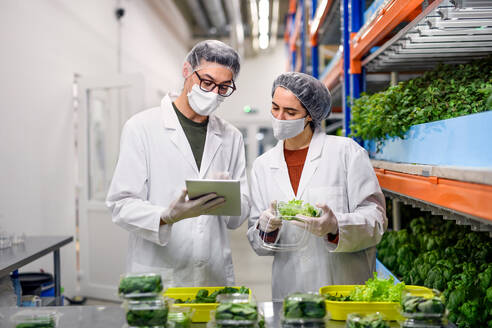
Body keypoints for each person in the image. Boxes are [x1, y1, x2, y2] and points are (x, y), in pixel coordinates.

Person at [107, 40, 250, 287]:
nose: (214, 92)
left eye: (224, 87)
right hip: (159, 273)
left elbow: (239, 214)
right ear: (186, 71)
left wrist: (228, 201)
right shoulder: (141, 127)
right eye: (207, 82)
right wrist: (166, 216)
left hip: (211, 272)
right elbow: (121, 204)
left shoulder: (231, 136)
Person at [247, 72, 387, 301]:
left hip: (342, 287)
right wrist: (266, 228)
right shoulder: (263, 165)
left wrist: (335, 226)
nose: (280, 117)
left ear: (310, 116)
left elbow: (377, 220)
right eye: (275, 108)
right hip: (291, 290)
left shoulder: (346, 152)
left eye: (290, 112)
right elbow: (258, 243)